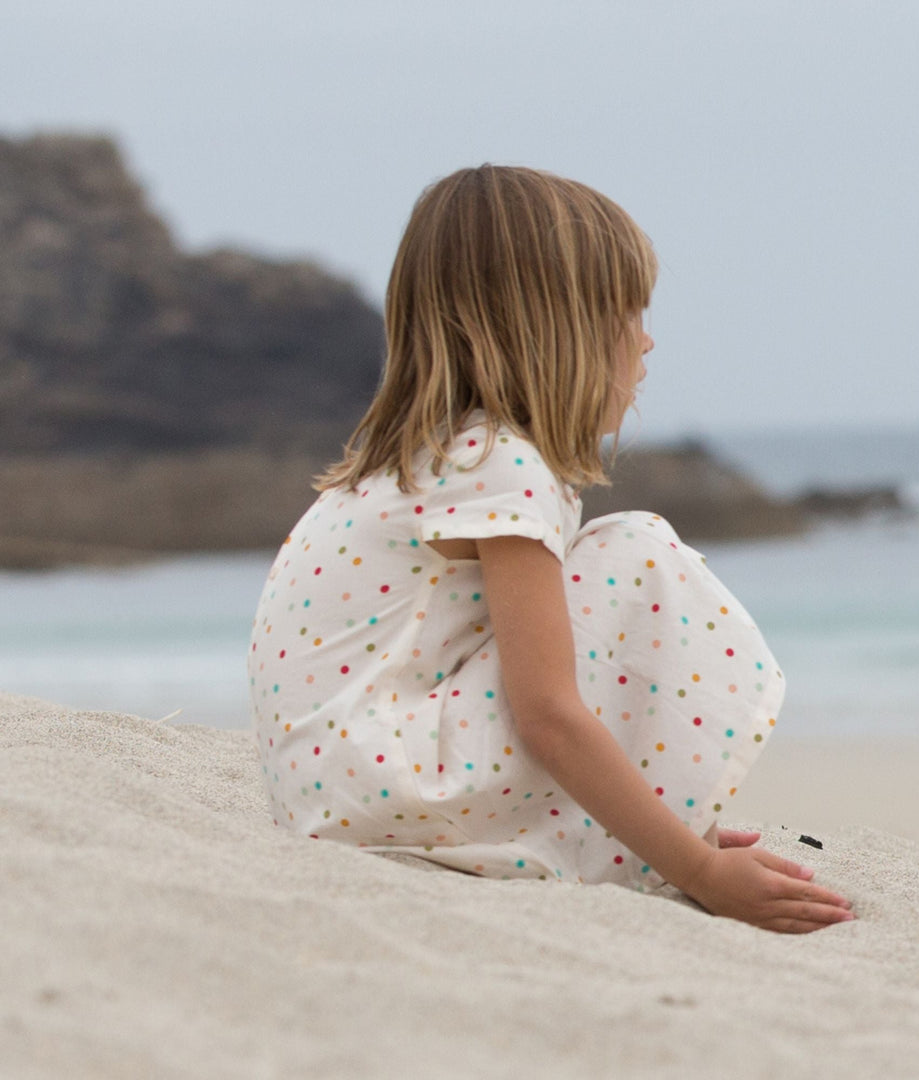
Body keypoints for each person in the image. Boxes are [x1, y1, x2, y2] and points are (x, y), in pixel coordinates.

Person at [248, 165, 853, 933]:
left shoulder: (431, 457)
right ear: (559, 328)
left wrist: (668, 834)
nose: (648, 339)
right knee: (637, 554)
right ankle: (660, 825)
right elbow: (547, 715)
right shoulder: (502, 466)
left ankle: (654, 819)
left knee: (596, 575)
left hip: (334, 794)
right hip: (384, 795)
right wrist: (697, 870)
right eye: (628, 314)